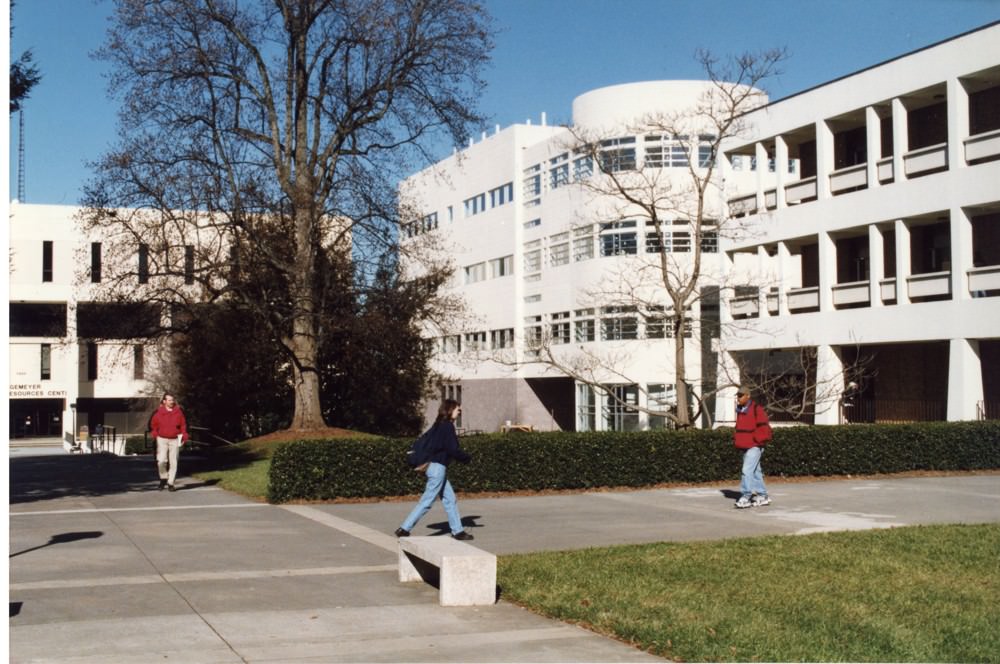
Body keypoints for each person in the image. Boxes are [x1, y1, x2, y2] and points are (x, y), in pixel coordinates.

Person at [395, 399, 475, 540]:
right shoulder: (447, 426)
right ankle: (404, 528)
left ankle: (458, 531)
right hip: (437, 468)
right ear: (450, 410)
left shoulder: (438, 425)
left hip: (434, 467)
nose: (459, 411)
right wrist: (466, 458)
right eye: (458, 409)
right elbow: (452, 449)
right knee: (427, 500)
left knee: (450, 499)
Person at [733, 385, 772, 509]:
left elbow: (763, 426)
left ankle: (746, 496)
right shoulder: (740, 409)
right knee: (755, 472)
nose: (738, 398)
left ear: (748, 396)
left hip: (754, 446)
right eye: (738, 396)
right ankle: (763, 495)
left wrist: (757, 441)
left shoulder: (757, 409)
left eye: (741, 396)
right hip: (746, 445)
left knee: (746, 471)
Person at [149, 393, 189, 491]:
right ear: (164, 401)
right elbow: (152, 425)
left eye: (172, 400)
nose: (172, 402)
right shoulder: (157, 412)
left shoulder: (179, 412)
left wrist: (184, 435)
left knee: (174, 461)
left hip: (175, 439)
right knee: (161, 460)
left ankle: (171, 483)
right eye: (169, 400)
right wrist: (154, 433)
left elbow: (183, 424)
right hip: (162, 439)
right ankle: (163, 477)